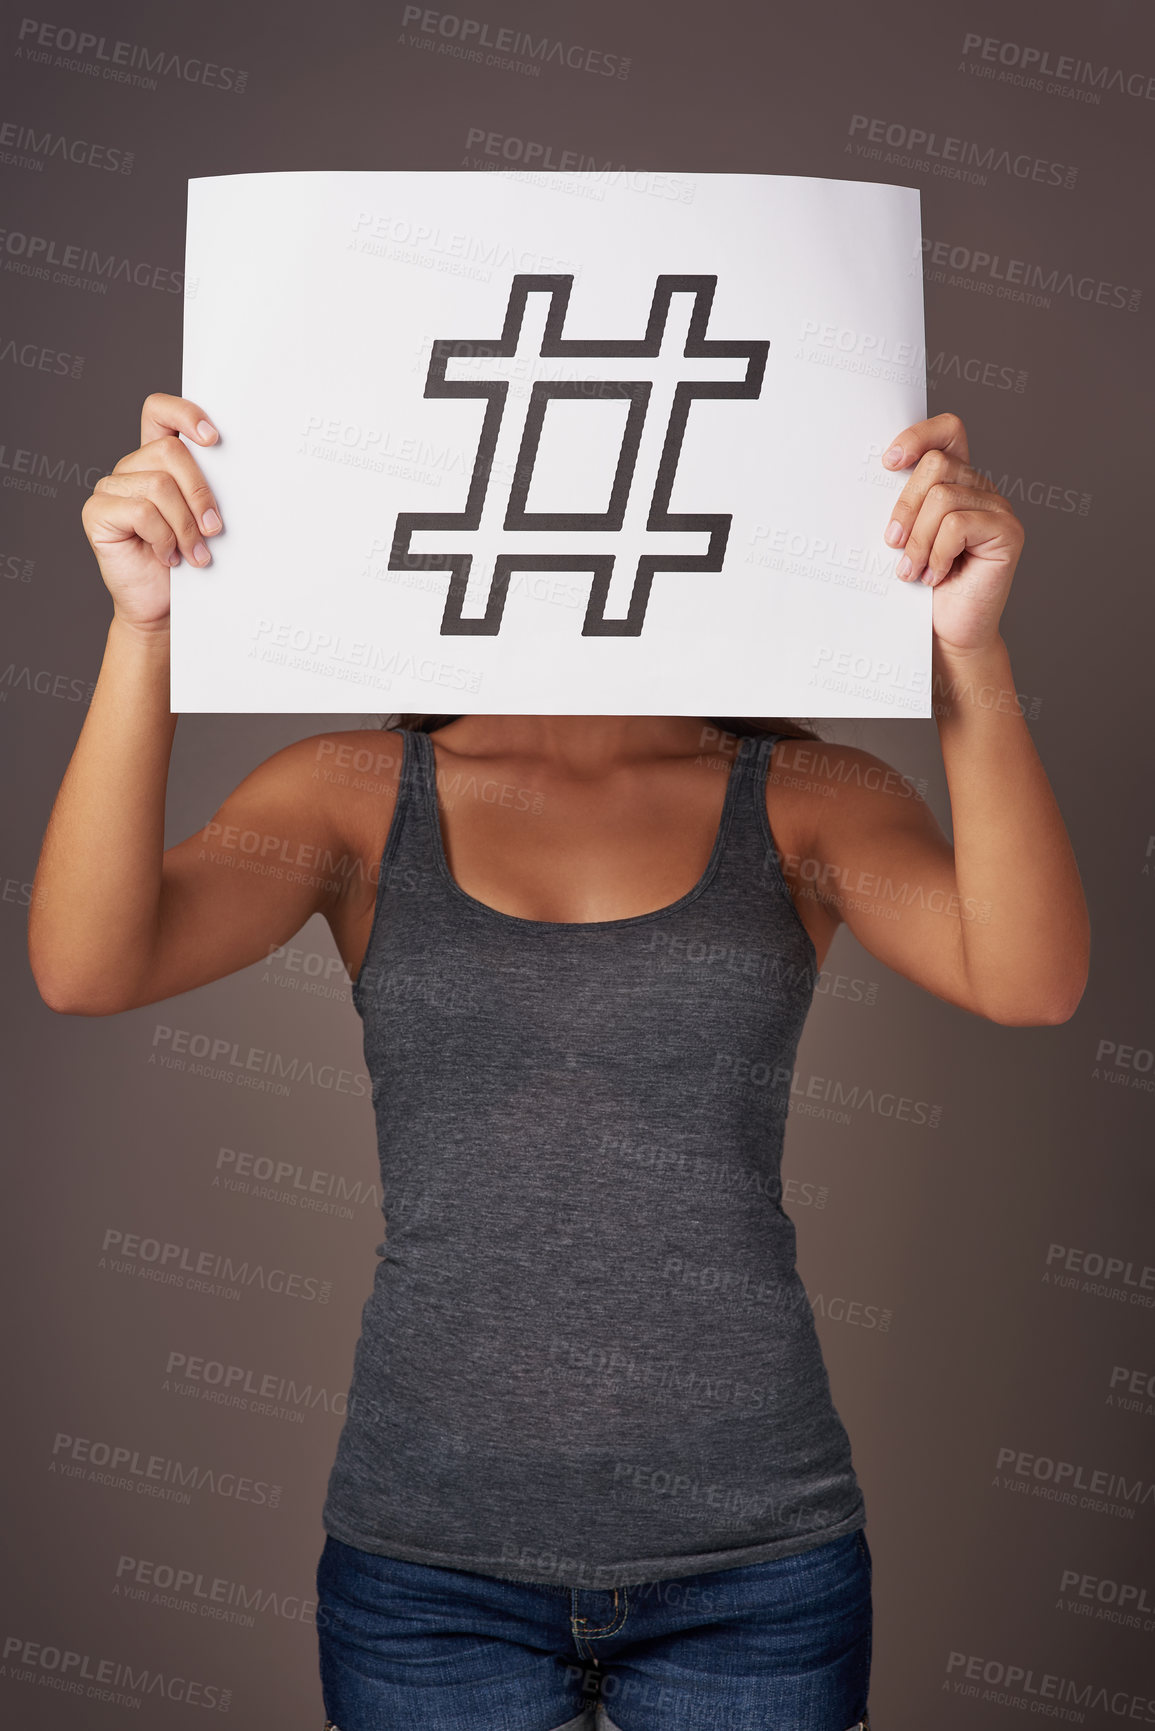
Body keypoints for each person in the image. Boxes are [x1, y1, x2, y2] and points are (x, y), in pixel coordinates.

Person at [29, 395, 1089, 1731]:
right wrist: (147, 627)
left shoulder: (812, 797)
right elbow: (88, 965)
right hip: (427, 1567)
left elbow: (1034, 980)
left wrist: (971, 661)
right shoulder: (350, 791)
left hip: (756, 1559)